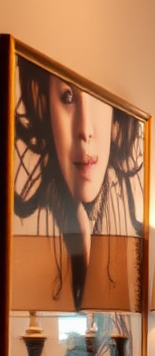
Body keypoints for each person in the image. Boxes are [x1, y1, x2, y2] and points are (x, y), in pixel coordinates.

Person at [12, 53, 143, 312]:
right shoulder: (28, 227)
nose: (85, 129)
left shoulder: (128, 217)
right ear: (45, 104)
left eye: (96, 101)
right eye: (68, 98)